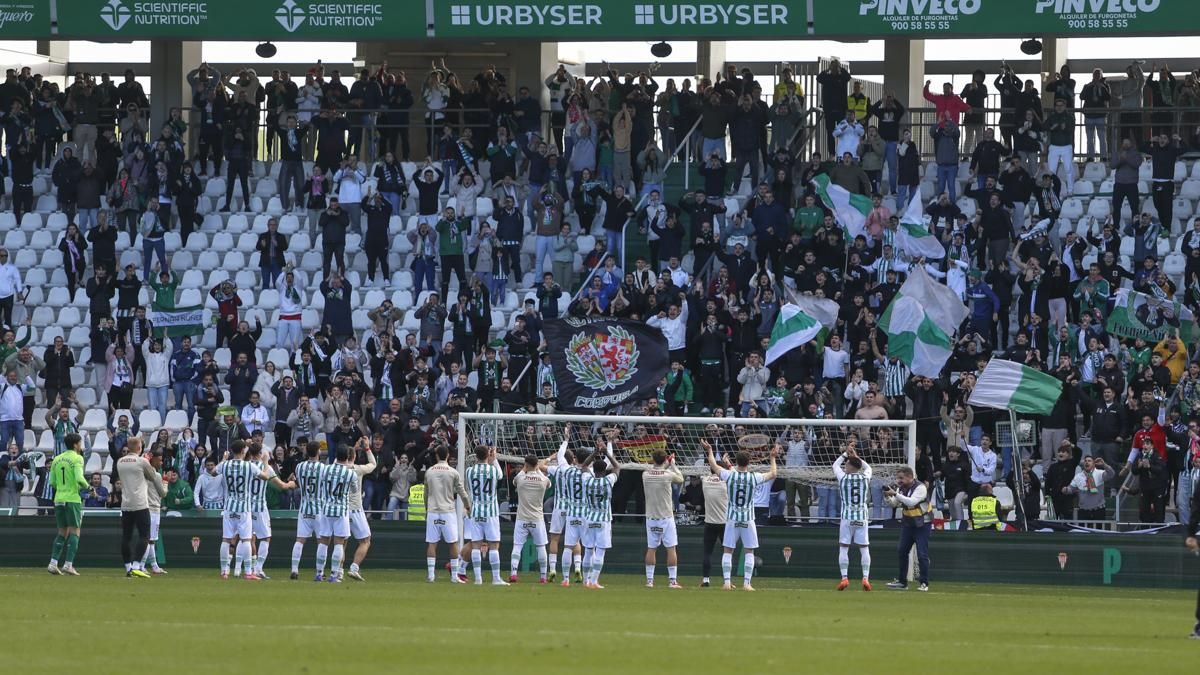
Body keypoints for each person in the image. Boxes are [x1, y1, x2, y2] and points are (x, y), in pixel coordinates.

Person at [704, 438, 777, 591]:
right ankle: (746, 584)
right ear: (749, 462)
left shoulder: (730, 475)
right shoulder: (753, 477)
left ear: (736, 462)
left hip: (732, 518)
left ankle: (726, 582)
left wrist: (710, 450)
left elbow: (713, 465)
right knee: (749, 551)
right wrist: (772, 458)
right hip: (748, 518)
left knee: (728, 551)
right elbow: (773, 474)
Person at [216, 440, 283, 580]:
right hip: (245, 508)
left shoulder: (225, 465)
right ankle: (248, 572)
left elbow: (212, 472)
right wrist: (265, 462)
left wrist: (223, 459)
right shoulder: (249, 466)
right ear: (242, 451)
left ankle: (224, 571)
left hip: (229, 507)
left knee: (226, 539)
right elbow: (265, 477)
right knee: (246, 540)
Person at [116, 438, 166, 579]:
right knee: (145, 535)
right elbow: (152, 477)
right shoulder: (142, 461)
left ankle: (128, 567)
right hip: (140, 504)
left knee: (126, 536)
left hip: (125, 504)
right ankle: (137, 565)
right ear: (139, 447)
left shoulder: (120, 462)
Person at [424, 444, 471, 583]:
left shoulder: (429, 471)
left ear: (437, 455)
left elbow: (426, 494)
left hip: (433, 510)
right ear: (448, 456)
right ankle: (454, 576)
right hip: (448, 511)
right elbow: (462, 492)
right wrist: (468, 506)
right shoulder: (453, 472)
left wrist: (427, 509)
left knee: (432, 543)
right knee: (453, 543)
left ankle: (431, 575)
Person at [463, 444, 507, 586]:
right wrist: (493, 459)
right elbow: (500, 475)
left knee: (475, 544)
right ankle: (495, 578)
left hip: (476, 511)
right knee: (494, 545)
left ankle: (478, 579)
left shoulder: (469, 471)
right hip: (491, 512)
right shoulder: (493, 471)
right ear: (488, 455)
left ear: (475, 456)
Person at [46, 432, 88, 576]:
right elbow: (80, 478)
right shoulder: (77, 458)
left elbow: (52, 482)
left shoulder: (57, 459)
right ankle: (68, 565)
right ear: (76, 444)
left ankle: (53, 563)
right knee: (75, 531)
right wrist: (90, 488)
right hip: (72, 499)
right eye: (80, 443)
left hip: (58, 499)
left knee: (62, 532)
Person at [642, 448, 684, 589]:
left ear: (653, 459)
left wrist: (665, 463)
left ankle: (649, 581)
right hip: (666, 517)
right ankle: (672, 581)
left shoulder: (645, 474)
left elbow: (657, 471)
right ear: (664, 459)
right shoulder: (667, 475)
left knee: (651, 548)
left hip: (651, 517)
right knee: (671, 549)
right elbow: (680, 478)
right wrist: (672, 463)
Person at [884, 467, 930, 591]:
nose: (899, 481)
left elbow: (911, 502)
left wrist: (895, 494)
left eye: (901, 478)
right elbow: (895, 503)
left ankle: (924, 582)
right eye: (898, 478)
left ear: (910, 477)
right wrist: (887, 496)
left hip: (922, 524)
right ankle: (902, 582)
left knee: (922, 554)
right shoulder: (901, 488)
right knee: (902, 551)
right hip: (908, 524)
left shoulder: (920, 488)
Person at [582, 437, 621, 589]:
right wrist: (607, 453)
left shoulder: (587, 480)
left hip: (590, 517)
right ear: (604, 470)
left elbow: (584, 466)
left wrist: (595, 452)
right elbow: (617, 467)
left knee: (588, 550)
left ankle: (586, 581)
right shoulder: (608, 480)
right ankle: (594, 581)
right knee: (600, 551)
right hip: (603, 519)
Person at [315, 444, 356, 583]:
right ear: (348, 457)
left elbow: (320, 484)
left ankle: (319, 573)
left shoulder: (325, 469)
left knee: (323, 542)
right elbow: (355, 490)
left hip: (326, 508)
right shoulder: (350, 473)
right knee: (339, 543)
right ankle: (333, 574)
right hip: (341, 510)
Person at [834, 444, 873, 591]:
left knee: (844, 548)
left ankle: (844, 578)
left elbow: (835, 465)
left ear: (850, 466)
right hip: (862, 518)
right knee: (864, 548)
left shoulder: (843, 478)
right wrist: (856, 457)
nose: (844, 466)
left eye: (847, 464)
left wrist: (845, 454)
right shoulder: (865, 477)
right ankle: (865, 578)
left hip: (847, 518)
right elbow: (869, 468)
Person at [547, 429, 584, 584]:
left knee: (554, 539)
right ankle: (577, 567)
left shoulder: (560, 468)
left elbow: (545, 465)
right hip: (573, 509)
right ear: (573, 459)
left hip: (559, 507)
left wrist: (566, 439)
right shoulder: (582, 472)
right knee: (574, 540)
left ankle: (553, 569)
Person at [509, 454, 552, 584]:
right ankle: (543, 576)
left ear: (526, 464)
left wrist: (525, 468)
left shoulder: (521, 478)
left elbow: (514, 481)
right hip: (537, 518)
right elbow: (548, 484)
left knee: (517, 546)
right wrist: (537, 467)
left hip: (522, 518)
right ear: (536, 464)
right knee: (541, 547)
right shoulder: (543, 480)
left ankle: (513, 574)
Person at [289, 441, 324, 580]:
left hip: (304, 508)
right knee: (322, 541)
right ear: (318, 452)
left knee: (300, 540)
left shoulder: (299, 466)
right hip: (319, 508)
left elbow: (297, 482)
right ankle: (320, 572)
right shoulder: (323, 468)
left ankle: (294, 569)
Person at [346, 438, 377, 581]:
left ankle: (337, 571)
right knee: (366, 540)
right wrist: (367, 448)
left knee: (341, 541)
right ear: (354, 456)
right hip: (355, 509)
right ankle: (354, 568)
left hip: (341, 510)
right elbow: (373, 464)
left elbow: (340, 458)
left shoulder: (335, 468)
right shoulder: (358, 469)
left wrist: (353, 447)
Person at [140, 447, 169, 575]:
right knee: (149, 539)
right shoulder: (156, 475)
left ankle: (154, 565)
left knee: (150, 539)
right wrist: (166, 482)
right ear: (154, 460)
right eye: (160, 460)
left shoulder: (142, 473)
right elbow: (163, 493)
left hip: (145, 507)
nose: (161, 463)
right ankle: (141, 565)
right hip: (153, 508)